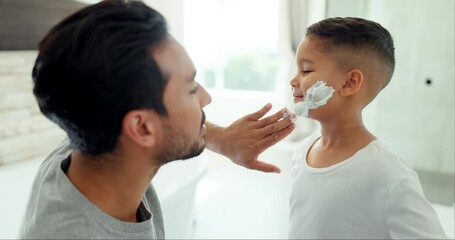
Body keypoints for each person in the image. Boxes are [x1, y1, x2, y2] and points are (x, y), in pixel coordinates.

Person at [18, 0, 295, 238]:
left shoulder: (90, 135)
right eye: (190, 89)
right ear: (141, 128)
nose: (206, 98)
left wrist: (219, 138)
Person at [288, 17, 447, 239]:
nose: (293, 80)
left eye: (305, 71)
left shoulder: (388, 173)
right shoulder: (302, 152)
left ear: (350, 83)